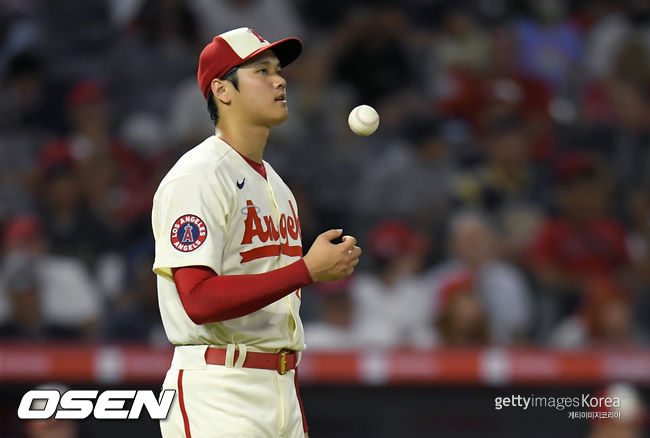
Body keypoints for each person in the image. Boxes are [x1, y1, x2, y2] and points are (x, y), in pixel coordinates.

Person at [151, 27, 361, 438]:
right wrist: (305, 270)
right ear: (222, 91)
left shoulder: (279, 187)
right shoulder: (198, 176)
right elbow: (197, 299)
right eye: (261, 71)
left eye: (278, 71)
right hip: (219, 387)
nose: (280, 80)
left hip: (282, 387)